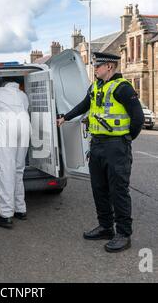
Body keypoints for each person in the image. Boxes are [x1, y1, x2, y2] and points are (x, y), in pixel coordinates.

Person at [57, 52, 144, 253]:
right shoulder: (95, 86)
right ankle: (106, 227)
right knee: (99, 188)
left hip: (116, 146)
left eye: (98, 65)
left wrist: (126, 139)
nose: (95, 68)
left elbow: (137, 118)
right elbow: (84, 105)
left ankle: (123, 233)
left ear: (110, 67)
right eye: (95, 65)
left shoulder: (122, 88)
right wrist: (66, 117)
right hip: (97, 145)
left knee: (118, 190)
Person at [0, 79, 31, 229]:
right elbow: (25, 108)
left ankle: (6, 214)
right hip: (24, 125)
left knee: (6, 170)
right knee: (18, 169)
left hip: (7, 126)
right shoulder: (22, 95)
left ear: (3, 84)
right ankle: (20, 209)